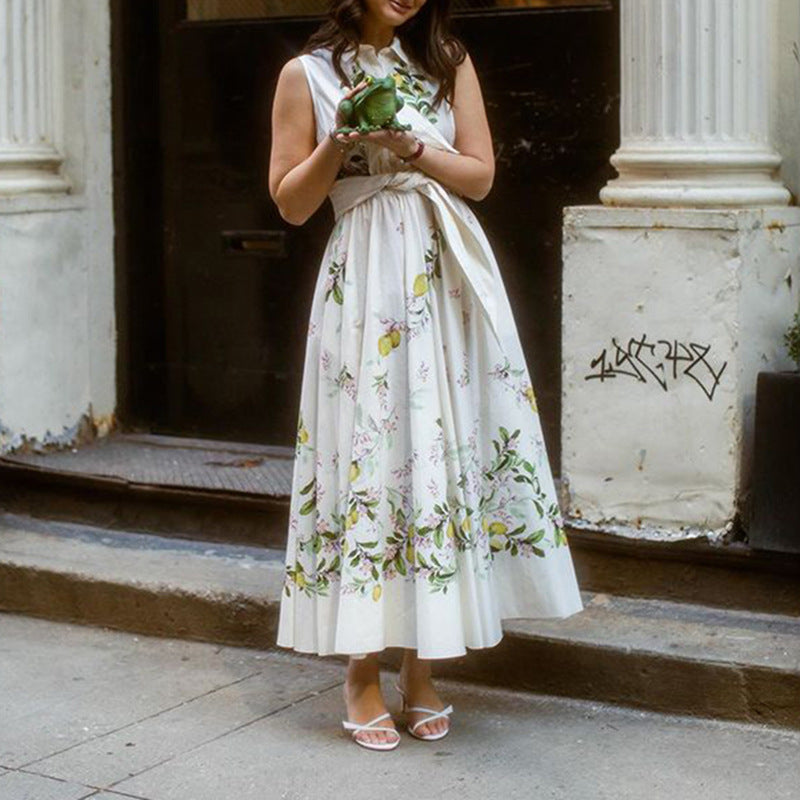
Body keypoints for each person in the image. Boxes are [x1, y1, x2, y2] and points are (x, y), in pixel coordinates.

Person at [268, 0, 584, 752]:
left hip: (446, 274)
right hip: (367, 277)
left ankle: (422, 669)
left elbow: (478, 177)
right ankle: (359, 672)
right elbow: (290, 202)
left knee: (439, 454)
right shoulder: (305, 74)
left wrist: (410, 145)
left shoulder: (446, 61)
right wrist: (339, 138)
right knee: (374, 453)